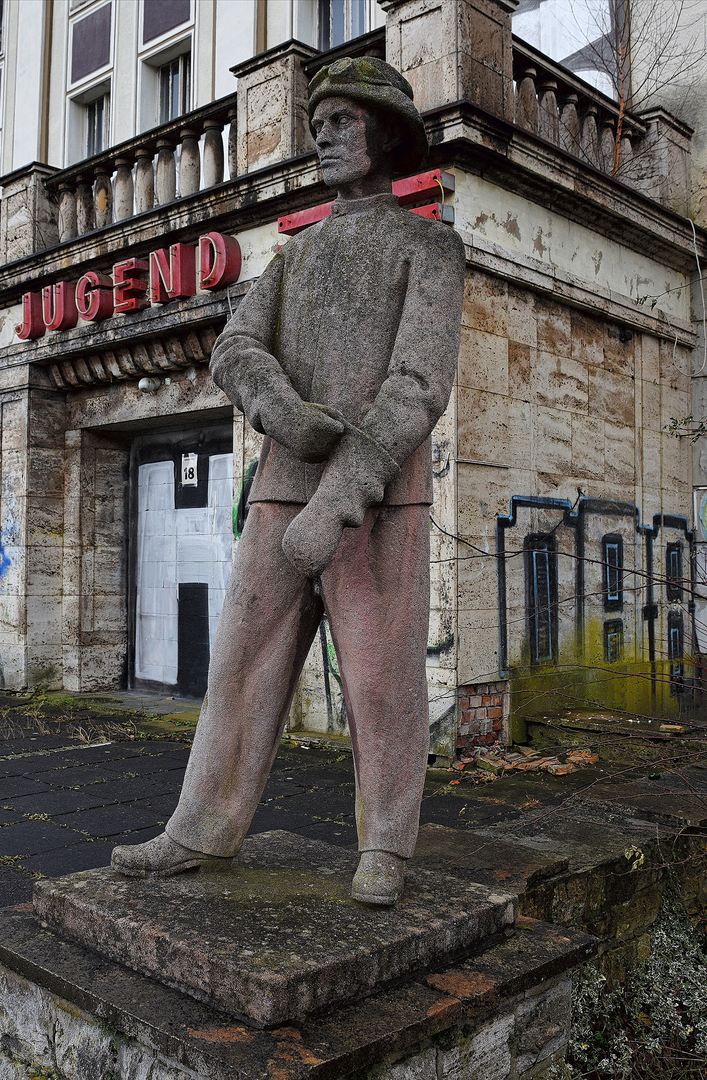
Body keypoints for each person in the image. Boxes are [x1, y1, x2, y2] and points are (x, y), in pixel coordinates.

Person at [111, 57, 465, 906]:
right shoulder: (293, 260)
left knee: (380, 679)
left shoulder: (428, 245)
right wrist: (282, 412)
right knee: (240, 663)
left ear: (386, 132)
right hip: (280, 489)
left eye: (343, 121)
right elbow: (234, 348)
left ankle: (387, 845)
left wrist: (345, 488)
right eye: (319, 125)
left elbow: (419, 382)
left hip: (378, 497)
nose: (325, 137)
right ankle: (199, 828)